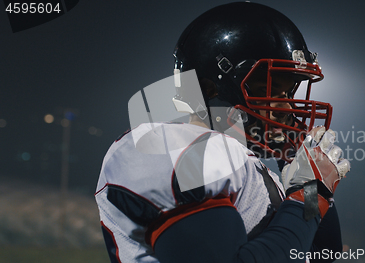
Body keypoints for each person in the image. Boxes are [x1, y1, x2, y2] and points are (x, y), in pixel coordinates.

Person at [95, 2, 350, 262]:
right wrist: (304, 197)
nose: (285, 107)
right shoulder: (170, 149)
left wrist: (311, 192)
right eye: (267, 90)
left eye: (287, 93)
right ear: (208, 90)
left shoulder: (253, 169)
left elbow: (319, 255)